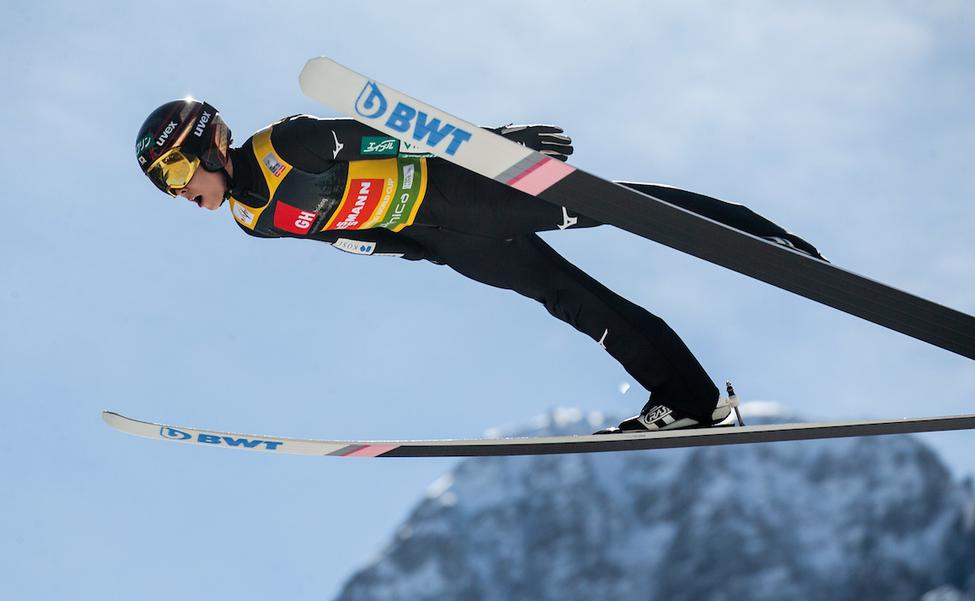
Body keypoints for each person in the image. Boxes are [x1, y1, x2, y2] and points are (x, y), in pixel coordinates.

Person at [135, 99, 826, 433]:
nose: (179, 193)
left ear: (202, 144)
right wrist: (419, 250)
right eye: (164, 187)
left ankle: (766, 239)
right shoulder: (252, 221)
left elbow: (393, 136)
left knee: (622, 207)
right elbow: (345, 234)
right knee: (570, 298)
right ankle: (693, 401)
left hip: (466, 191)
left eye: (173, 172)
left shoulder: (287, 144)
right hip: (444, 237)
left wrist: (491, 146)